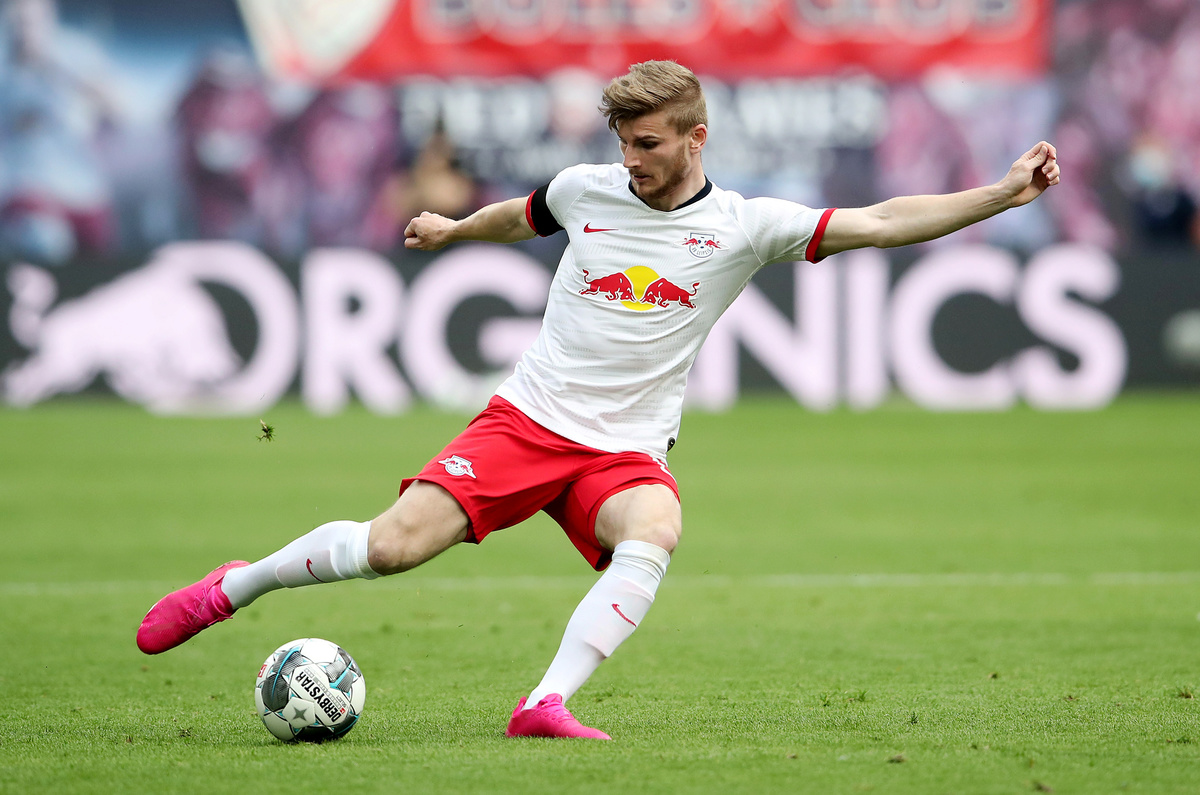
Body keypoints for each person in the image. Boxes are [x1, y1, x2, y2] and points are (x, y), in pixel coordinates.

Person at [136, 60, 1059, 739]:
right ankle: (235, 585)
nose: (632, 160)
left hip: (623, 448)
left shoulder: (744, 227)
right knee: (391, 548)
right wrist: (456, 230)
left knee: (655, 526)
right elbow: (524, 212)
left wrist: (1002, 195)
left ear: (696, 138)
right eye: (623, 143)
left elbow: (885, 219)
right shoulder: (589, 190)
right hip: (528, 421)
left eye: (648, 144)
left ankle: (544, 702)